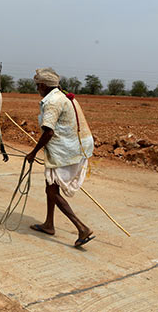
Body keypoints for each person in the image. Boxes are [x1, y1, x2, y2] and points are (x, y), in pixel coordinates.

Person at [25, 68, 95, 247]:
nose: (36, 89)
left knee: (51, 190)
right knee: (51, 186)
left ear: (42, 85)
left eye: (37, 85)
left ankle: (82, 228)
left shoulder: (52, 102)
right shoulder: (63, 96)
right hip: (77, 146)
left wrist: (33, 152)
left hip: (67, 151)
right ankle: (49, 224)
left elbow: (48, 131)